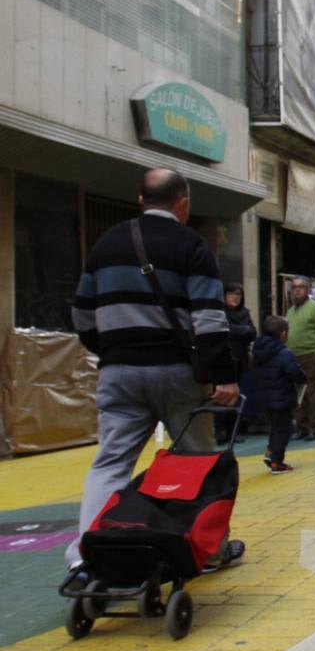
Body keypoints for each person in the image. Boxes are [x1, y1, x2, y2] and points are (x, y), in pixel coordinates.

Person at [68, 168, 243, 572]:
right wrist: (224, 376)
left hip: (118, 373)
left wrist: (113, 351)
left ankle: (84, 557)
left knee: (110, 462)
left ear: (141, 200)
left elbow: (81, 315)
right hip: (178, 374)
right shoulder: (192, 246)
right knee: (197, 459)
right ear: (183, 204)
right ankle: (206, 549)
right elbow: (209, 320)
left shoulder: (105, 245)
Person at [251, 316, 306, 474]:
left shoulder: (258, 350)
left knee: (275, 427)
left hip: (263, 396)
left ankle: (271, 451)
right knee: (284, 428)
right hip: (282, 396)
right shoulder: (283, 352)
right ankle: (277, 461)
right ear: (283, 334)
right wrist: (302, 377)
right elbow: (294, 372)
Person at [285, 278, 315, 441]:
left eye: (301, 287)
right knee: (297, 394)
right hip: (293, 358)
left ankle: (314, 427)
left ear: (308, 289)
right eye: (294, 287)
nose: (297, 290)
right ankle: (302, 426)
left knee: (312, 392)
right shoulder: (291, 311)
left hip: (310, 356)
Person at [216, 283, 256, 445]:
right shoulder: (219, 313)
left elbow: (252, 332)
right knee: (221, 396)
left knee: (237, 395)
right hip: (222, 360)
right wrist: (242, 330)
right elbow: (223, 330)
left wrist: (236, 330)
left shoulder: (245, 313)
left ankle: (233, 431)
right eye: (231, 294)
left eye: (238, 294)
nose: (235, 297)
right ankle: (220, 430)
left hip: (240, 360)